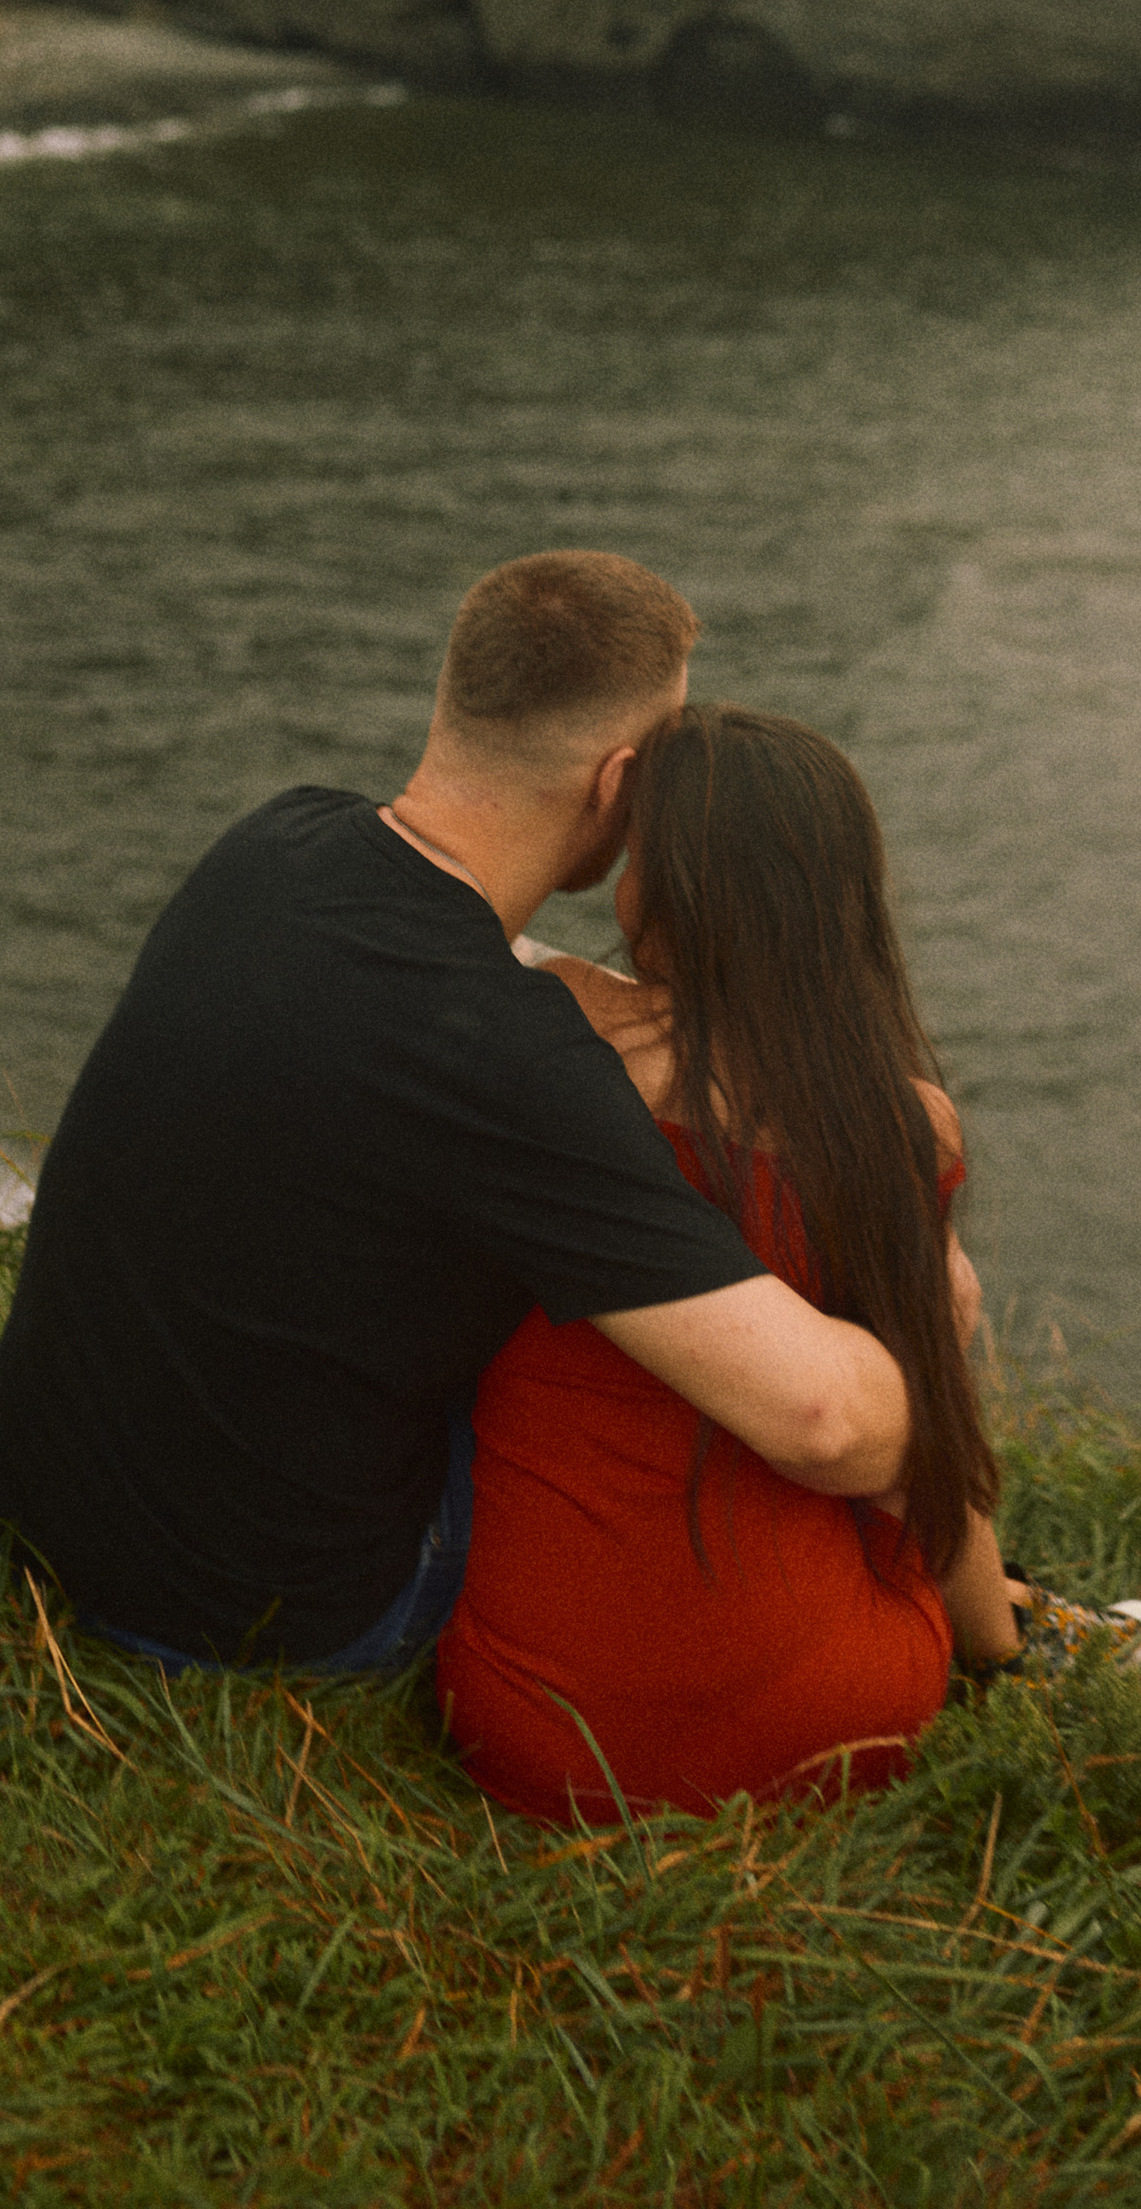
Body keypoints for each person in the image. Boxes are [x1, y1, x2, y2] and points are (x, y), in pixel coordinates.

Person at [0, 552, 912, 1671]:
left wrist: (621, 1006)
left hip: (36, 1499)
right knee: (645, 1397)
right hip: (255, 1611)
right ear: (617, 785)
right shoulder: (514, 1067)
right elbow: (823, 1424)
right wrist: (929, 1379)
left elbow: (460, 969)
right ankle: (978, 1614)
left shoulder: (277, 843)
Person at [435, 702, 1024, 1821]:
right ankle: (1014, 1623)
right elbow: (914, 1460)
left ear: (662, 894)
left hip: (523, 1723)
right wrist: (991, 1652)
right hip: (832, 1725)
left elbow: (485, 932)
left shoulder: (556, 1038)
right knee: (934, 1323)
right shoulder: (898, 1127)